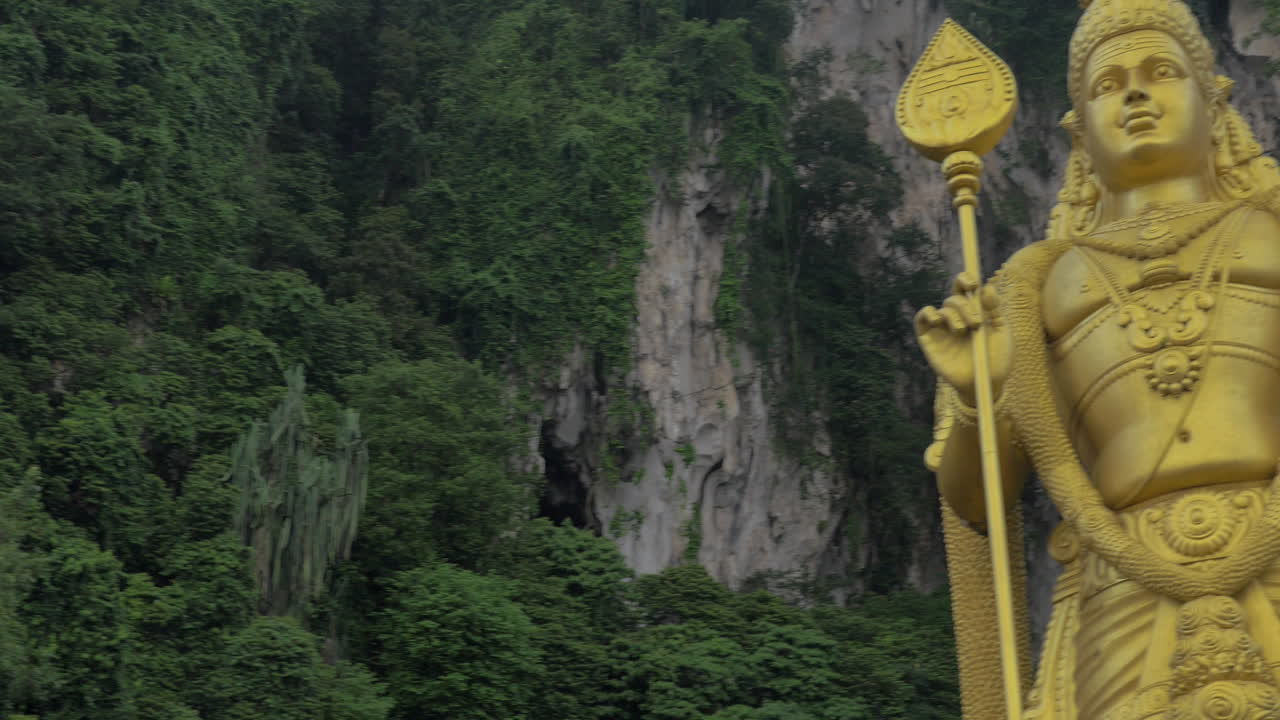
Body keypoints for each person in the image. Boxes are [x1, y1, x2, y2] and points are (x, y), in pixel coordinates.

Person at [916, 1, 1280, 717]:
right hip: (1125, 577)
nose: (1136, 93)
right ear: (1079, 129)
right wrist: (973, 401)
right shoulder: (1028, 288)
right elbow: (974, 502)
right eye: (1108, 83)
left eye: (1161, 72)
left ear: (1216, 98)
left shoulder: (1269, 231)